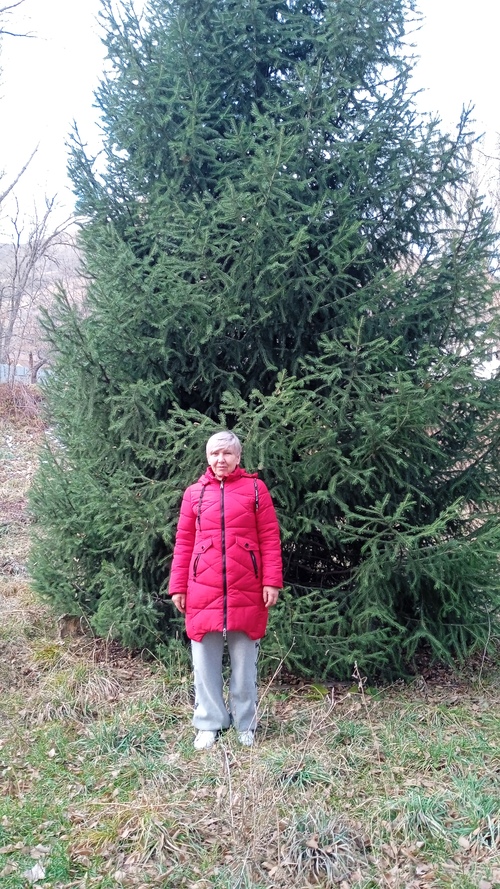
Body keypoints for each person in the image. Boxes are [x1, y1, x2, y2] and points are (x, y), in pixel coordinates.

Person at [169, 430, 283, 750]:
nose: (221, 459)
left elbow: (270, 538)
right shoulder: (194, 493)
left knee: (245, 664)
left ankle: (245, 723)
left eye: (227, 453)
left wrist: (271, 581)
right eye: (215, 454)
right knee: (204, 663)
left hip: (247, 587)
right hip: (201, 590)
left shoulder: (256, 490)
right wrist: (178, 585)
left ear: (238, 457)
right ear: (208, 457)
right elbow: (183, 542)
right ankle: (210, 723)